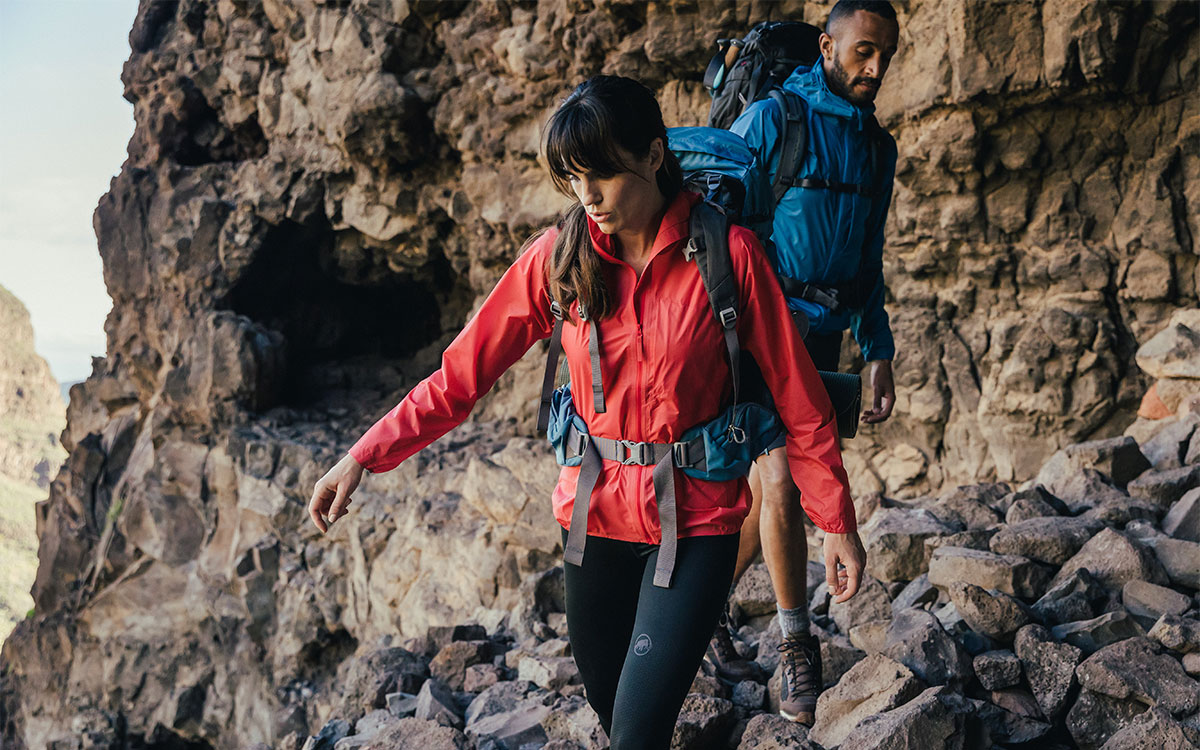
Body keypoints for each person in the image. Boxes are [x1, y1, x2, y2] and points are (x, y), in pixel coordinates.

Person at [308, 75, 862, 749]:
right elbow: (461, 376)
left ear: (655, 156)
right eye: (573, 178)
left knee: (634, 733)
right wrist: (363, 455)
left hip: (696, 521)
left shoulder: (729, 256)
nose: (587, 197)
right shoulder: (559, 261)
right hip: (590, 523)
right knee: (616, 720)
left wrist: (836, 521)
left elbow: (802, 403)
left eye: (602, 174)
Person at [705, 0, 898, 725]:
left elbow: (868, 256)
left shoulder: (879, 149)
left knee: (769, 496)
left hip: (824, 339)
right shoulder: (775, 120)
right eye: (862, 53)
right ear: (827, 46)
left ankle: (703, 612)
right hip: (758, 332)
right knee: (782, 480)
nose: (875, 69)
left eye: (885, 56)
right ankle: (797, 650)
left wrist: (876, 347)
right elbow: (713, 221)